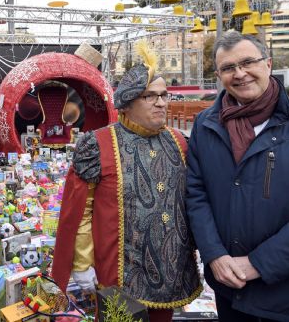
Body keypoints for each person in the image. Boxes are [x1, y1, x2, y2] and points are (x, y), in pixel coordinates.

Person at [185, 31, 289, 322]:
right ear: (219, 75)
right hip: (230, 288)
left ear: (268, 64)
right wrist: (214, 255)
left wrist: (260, 263)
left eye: (248, 62)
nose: (240, 74)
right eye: (228, 68)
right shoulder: (206, 125)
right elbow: (196, 194)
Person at [52, 41, 201, 322]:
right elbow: (80, 211)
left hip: (170, 270)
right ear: (128, 103)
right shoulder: (98, 145)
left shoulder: (179, 141)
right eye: (149, 96)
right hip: (118, 272)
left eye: (164, 95)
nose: (160, 102)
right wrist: (82, 263)